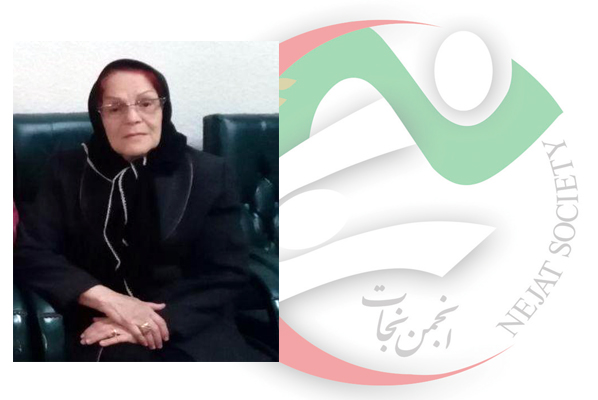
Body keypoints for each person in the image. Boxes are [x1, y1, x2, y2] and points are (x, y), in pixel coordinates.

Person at [14, 59, 269, 361]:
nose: (132, 118)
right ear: (99, 116)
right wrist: (110, 301)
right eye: (114, 108)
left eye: (146, 103)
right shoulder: (66, 170)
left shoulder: (207, 173)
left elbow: (225, 270)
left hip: (190, 320)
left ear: (163, 108)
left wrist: (151, 322)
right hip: (98, 322)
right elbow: (34, 253)